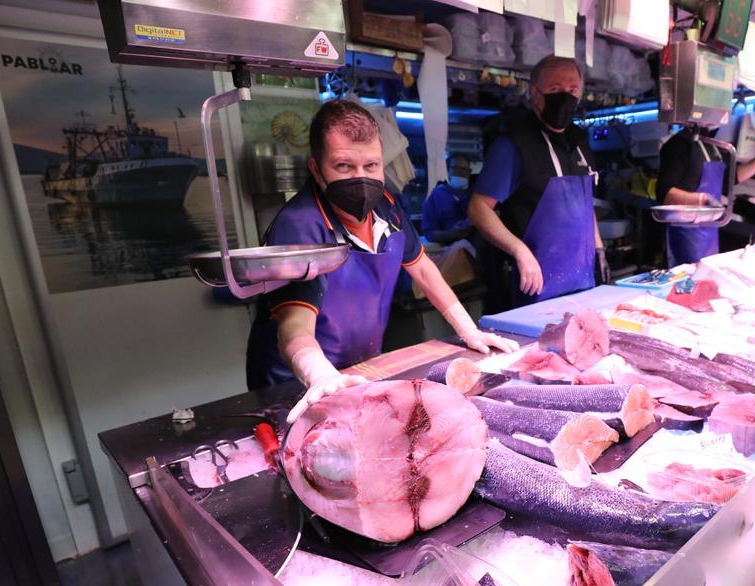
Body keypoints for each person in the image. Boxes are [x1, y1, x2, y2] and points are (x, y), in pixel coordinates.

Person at [245, 100, 517, 420]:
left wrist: (468, 330)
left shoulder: (386, 205)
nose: (361, 179)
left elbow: (424, 270)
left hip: (360, 368)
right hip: (301, 381)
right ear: (316, 169)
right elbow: (294, 328)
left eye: (371, 166)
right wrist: (320, 375)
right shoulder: (299, 225)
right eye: (344, 167)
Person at [469, 55, 608, 312]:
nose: (565, 97)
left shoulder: (580, 143)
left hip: (580, 277)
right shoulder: (514, 143)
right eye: (555, 90)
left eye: (572, 90)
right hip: (533, 282)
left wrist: (598, 248)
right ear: (535, 92)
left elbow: (584, 205)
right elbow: (479, 208)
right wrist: (520, 251)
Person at [656, 125, 755, 266]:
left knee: (705, 276)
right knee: (685, 280)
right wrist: (704, 199)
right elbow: (665, 194)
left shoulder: (713, 146)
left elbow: (730, 178)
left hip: (709, 232)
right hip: (685, 232)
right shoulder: (679, 144)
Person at [421, 154, 474, 245]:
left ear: (469, 172)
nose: (460, 172)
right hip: (447, 249)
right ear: (447, 170)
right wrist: (451, 234)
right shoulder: (435, 196)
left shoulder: (475, 195)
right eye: (455, 168)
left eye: (464, 169)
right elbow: (429, 233)